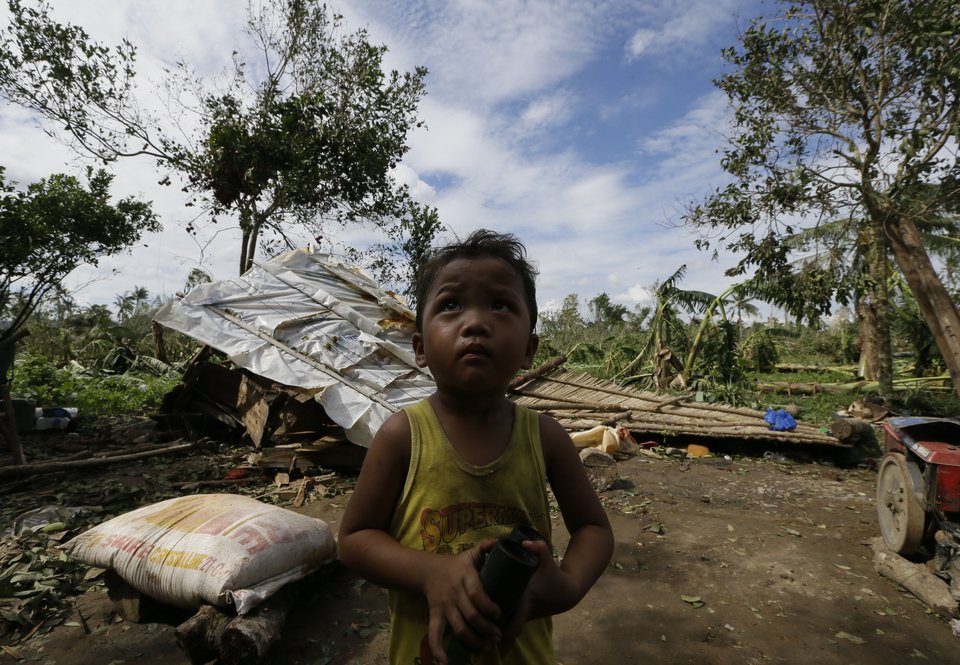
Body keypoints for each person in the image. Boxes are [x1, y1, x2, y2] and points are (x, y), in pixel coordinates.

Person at [337, 229, 614, 665]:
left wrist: (563, 588)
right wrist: (432, 573)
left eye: (501, 305)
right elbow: (353, 540)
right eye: (450, 305)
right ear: (420, 347)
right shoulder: (401, 437)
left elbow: (594, 530)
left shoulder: (545, 437)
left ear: (529, 348)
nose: (475, 322)